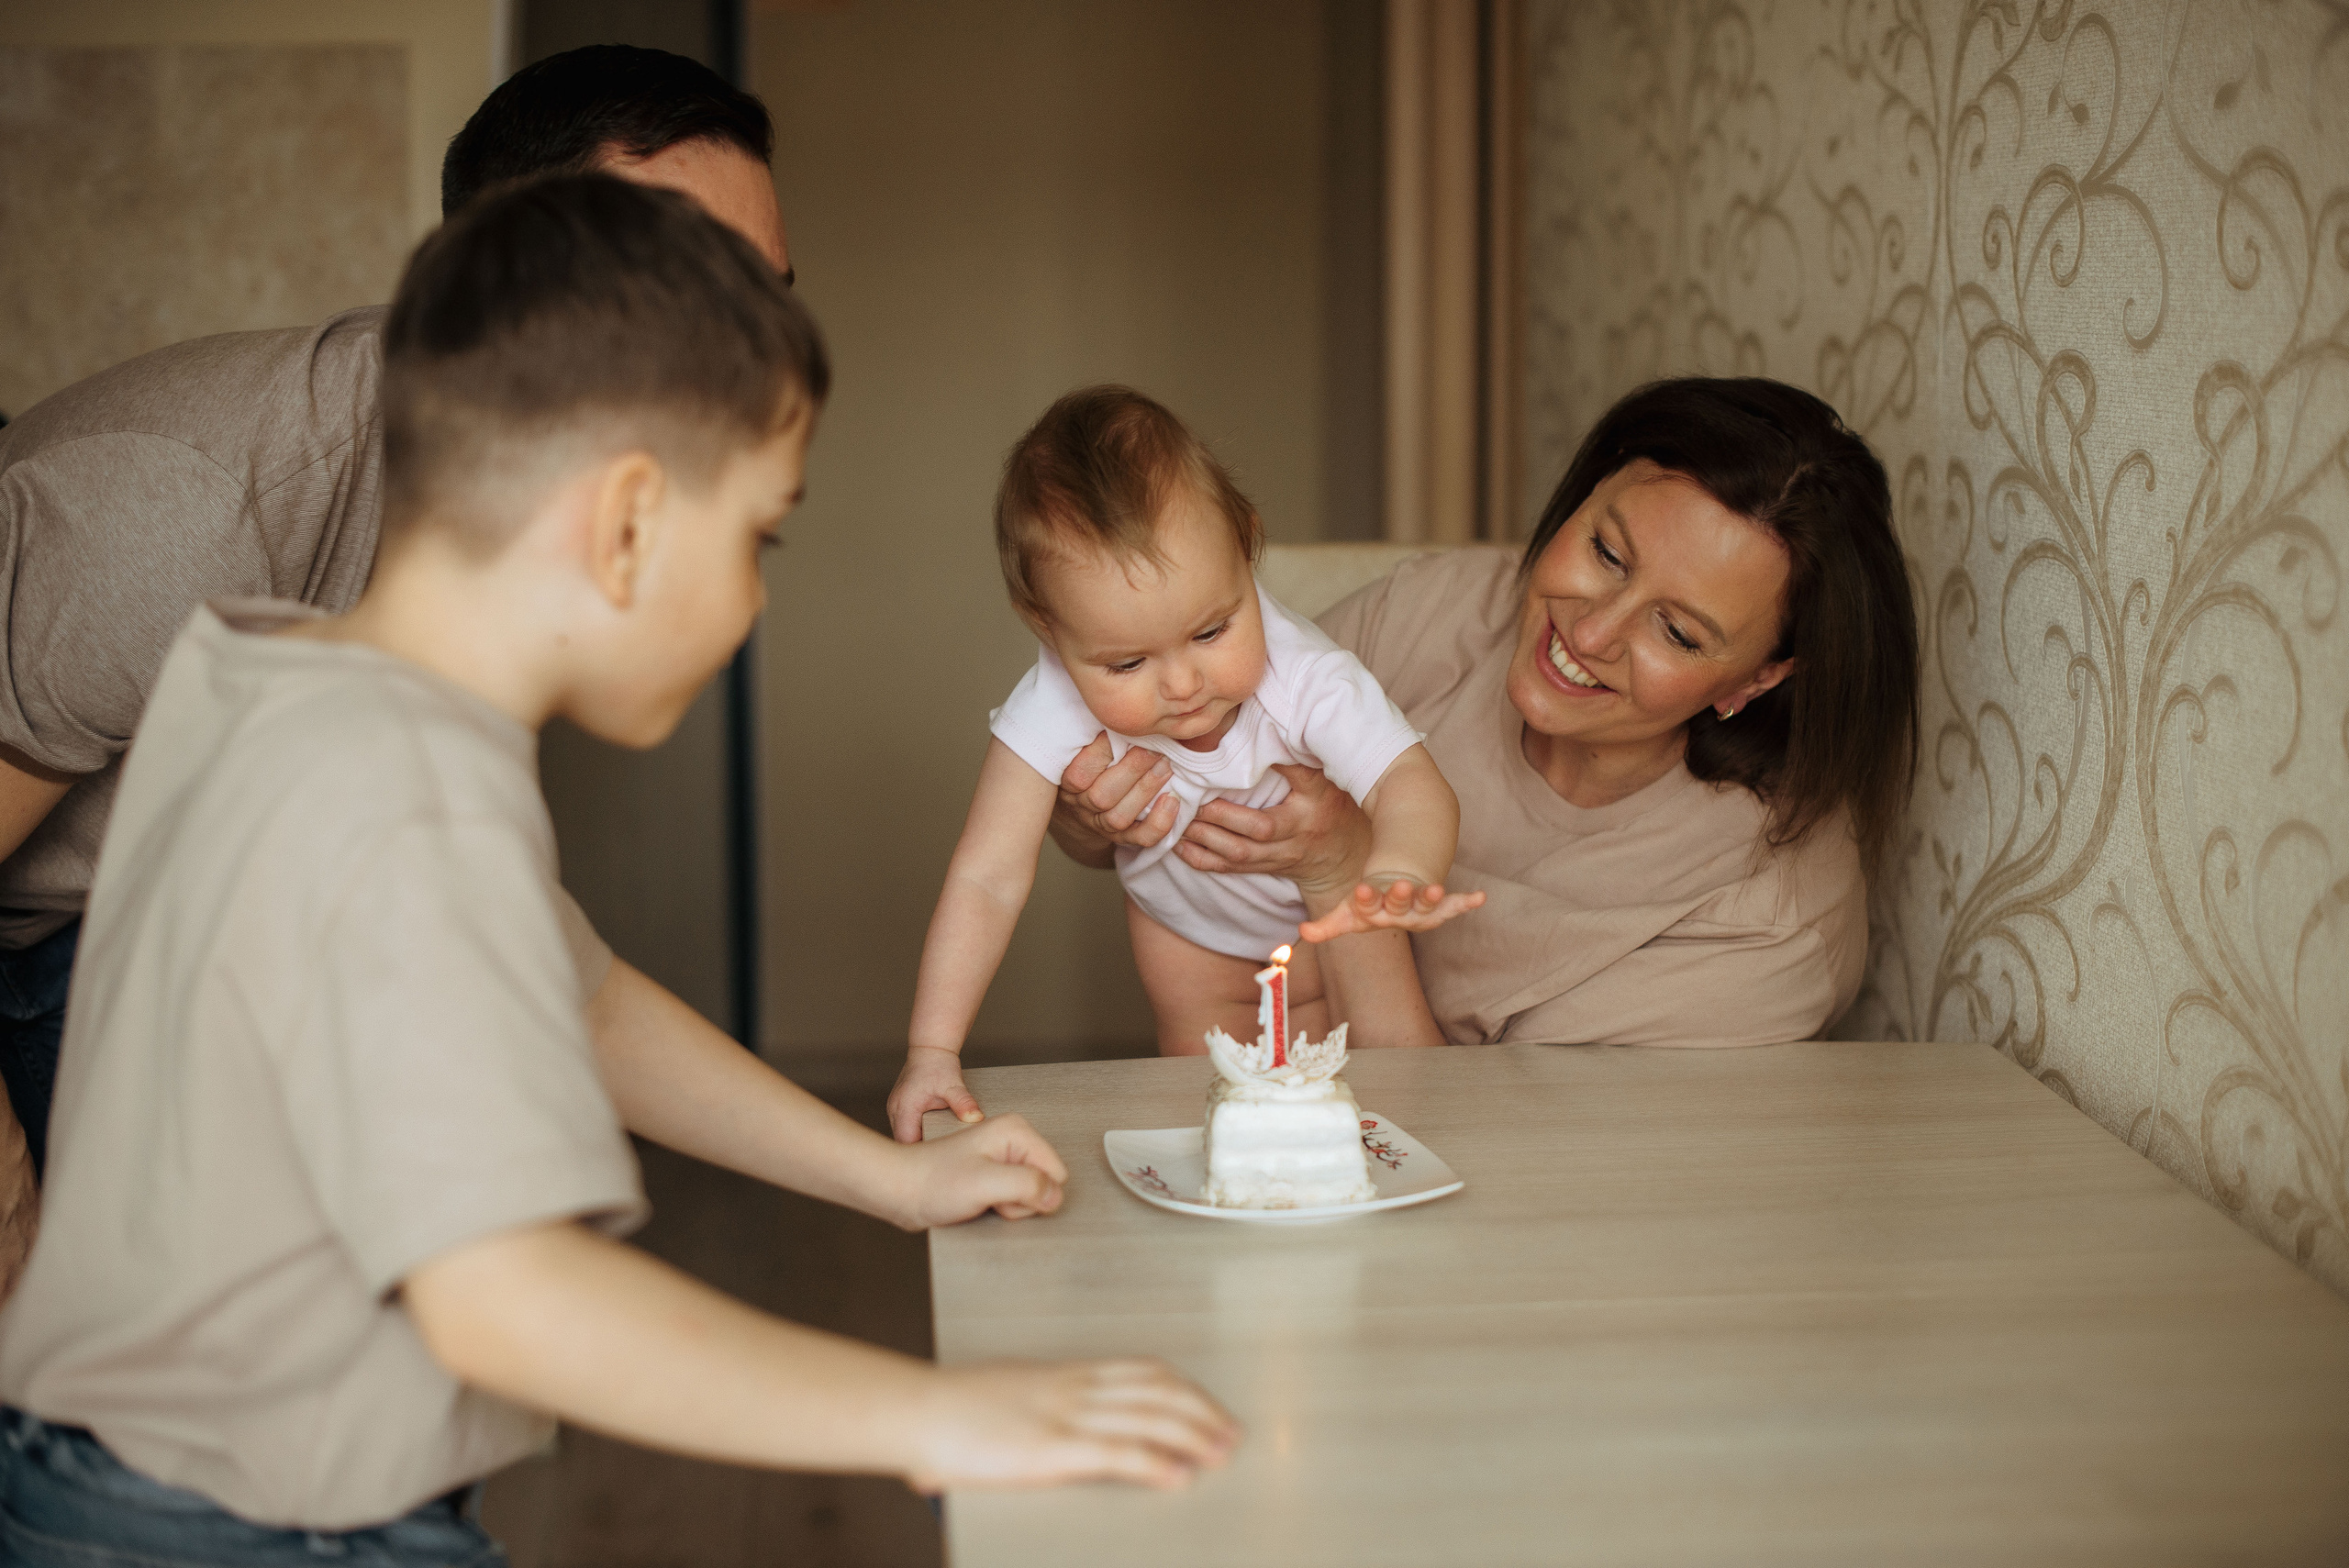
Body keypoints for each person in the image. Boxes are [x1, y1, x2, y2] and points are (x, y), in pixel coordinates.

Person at [0, 176, 1237, 1565]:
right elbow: (503, 1297)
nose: (757, 599)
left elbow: (579, 997)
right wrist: (946, 1419)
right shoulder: (408, 802)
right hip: (239, 1533)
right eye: (759, 538)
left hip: (114, 1483)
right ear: (630, 521)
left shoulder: (276, 674)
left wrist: (885, 1181)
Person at [0, 44, 790, 1286]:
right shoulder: (179, 510)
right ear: (515, 287)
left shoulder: (510, 549)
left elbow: (558, 973)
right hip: (54, 937)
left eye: (771, 295)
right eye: (696, 292)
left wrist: (887, 1172)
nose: (761, 358)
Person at [1045, 378, 1920, 1051]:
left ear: (1759, 679)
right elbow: (1166, 805)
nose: (1591, 627)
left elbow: (1473, 1159)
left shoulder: (1759, 925)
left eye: (1678, 632)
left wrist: (1345, 866)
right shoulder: (1443, 610)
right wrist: (1092, 818)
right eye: (1606, 551)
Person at [886, 388, 1482, 1140]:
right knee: (1209, 1115)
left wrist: (1398, 868)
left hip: (1321, 935)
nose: (1182, 684)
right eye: (1128, 661)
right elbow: (986, 876)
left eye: (1211, 631)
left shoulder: (1306, 673)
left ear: (1246, 545)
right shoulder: (1051, 697)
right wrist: (932, 1048)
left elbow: (1410, 780)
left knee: (1354, 1115)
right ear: (1049, 627)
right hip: (1185, 942)